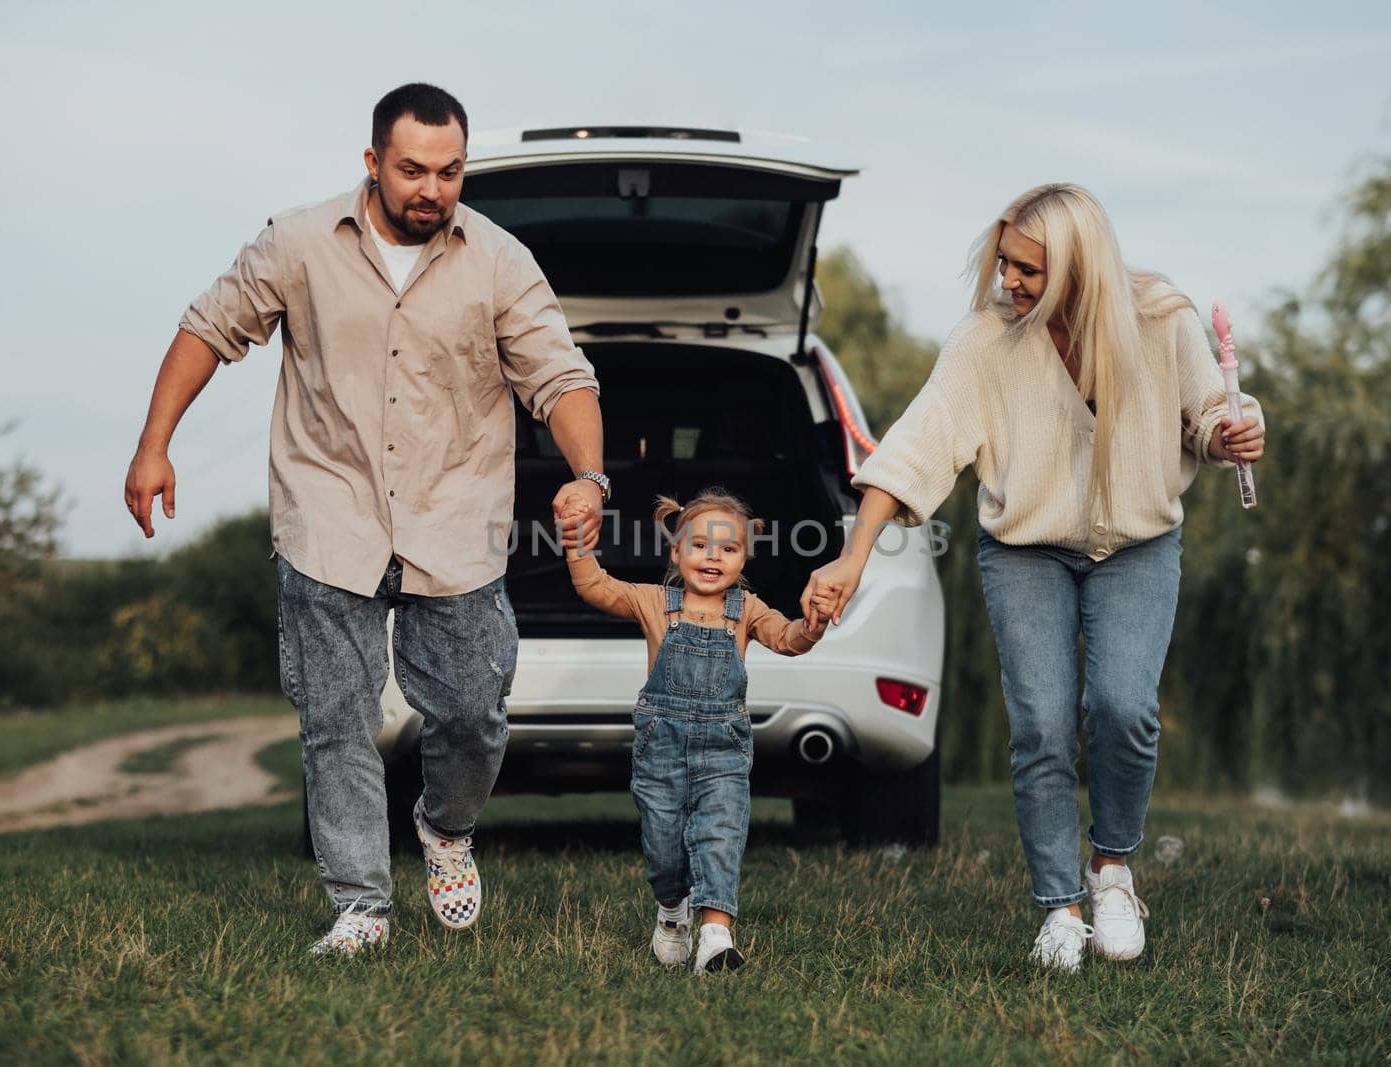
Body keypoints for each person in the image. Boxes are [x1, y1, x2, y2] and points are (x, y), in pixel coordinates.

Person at [122, 83, 610, 956]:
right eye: (413, 169)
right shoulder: (298, 242)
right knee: (336, 719)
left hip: (455, 520)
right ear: (373, 162)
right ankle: (361, 904)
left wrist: (590, 475)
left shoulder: (499, 260)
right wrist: (154, 443)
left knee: (471, 710)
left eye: (450, 171)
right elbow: (209, 327)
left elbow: (562, 376)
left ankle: (445, 826)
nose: (432, 189)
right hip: (327, 513)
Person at [802, 183, 1266, 973]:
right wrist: (852, 554)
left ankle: (1111, 870)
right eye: (1004, 263)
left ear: (1079, 270)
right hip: (1026, 551)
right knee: (1042, 726)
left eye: (1026, 269)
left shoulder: (1163, 320)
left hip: (1140, 545)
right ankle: (1059, 907)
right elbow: (918, 444)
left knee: (1123, 708)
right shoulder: (987, 342)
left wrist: (1235, 427)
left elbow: (1206, 414)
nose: (1006, 282)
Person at [560, 489, 830, 972]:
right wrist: (577, 544)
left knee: (720, 836)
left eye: (728, 549)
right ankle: (671, 913)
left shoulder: (747, 610)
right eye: (701, 545)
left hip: (723, 753)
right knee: (664, 849)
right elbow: (596, 588)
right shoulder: (653, 602)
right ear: (676, 551)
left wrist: (813, 624)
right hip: (661, 751)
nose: (713, 557)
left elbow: (788, 640)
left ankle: (715, 935)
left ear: (744, 558)